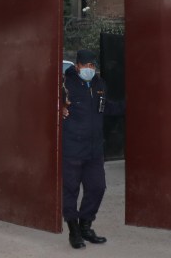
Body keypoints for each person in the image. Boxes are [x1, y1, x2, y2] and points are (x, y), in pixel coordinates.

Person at [61, 49, 124, 249]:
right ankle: (73, 231)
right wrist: (60, 107)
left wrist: (130, 105)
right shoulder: (65, 84)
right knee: (70, 190)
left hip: (94, 149)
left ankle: (86, 226)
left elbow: (105, 108)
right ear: (77, 65)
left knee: (97, 187)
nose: (89, 69)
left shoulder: (99, 84)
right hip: (72, 147)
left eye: (92, 65)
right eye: (85, 65)